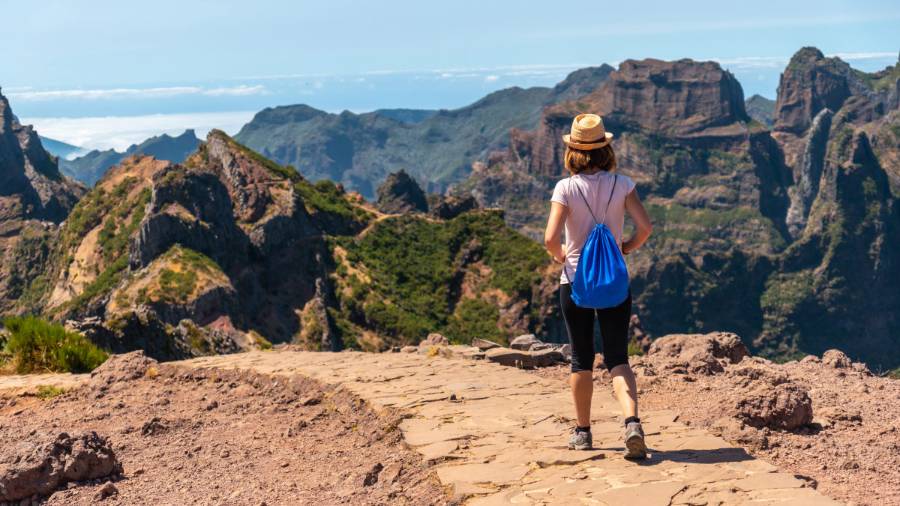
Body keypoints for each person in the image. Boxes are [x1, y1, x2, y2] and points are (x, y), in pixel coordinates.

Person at [544, 113, 653, 458]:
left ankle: (583, 432)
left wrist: (562, 256)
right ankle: (632, 422)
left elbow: (549, 239)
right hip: (614, 283)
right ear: (605, 148)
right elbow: (645, 227)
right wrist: (626, 248)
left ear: (572, 151)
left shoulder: (565, 188)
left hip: (575, 283)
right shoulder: (623, 184)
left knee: (581, 358)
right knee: (618, 357)